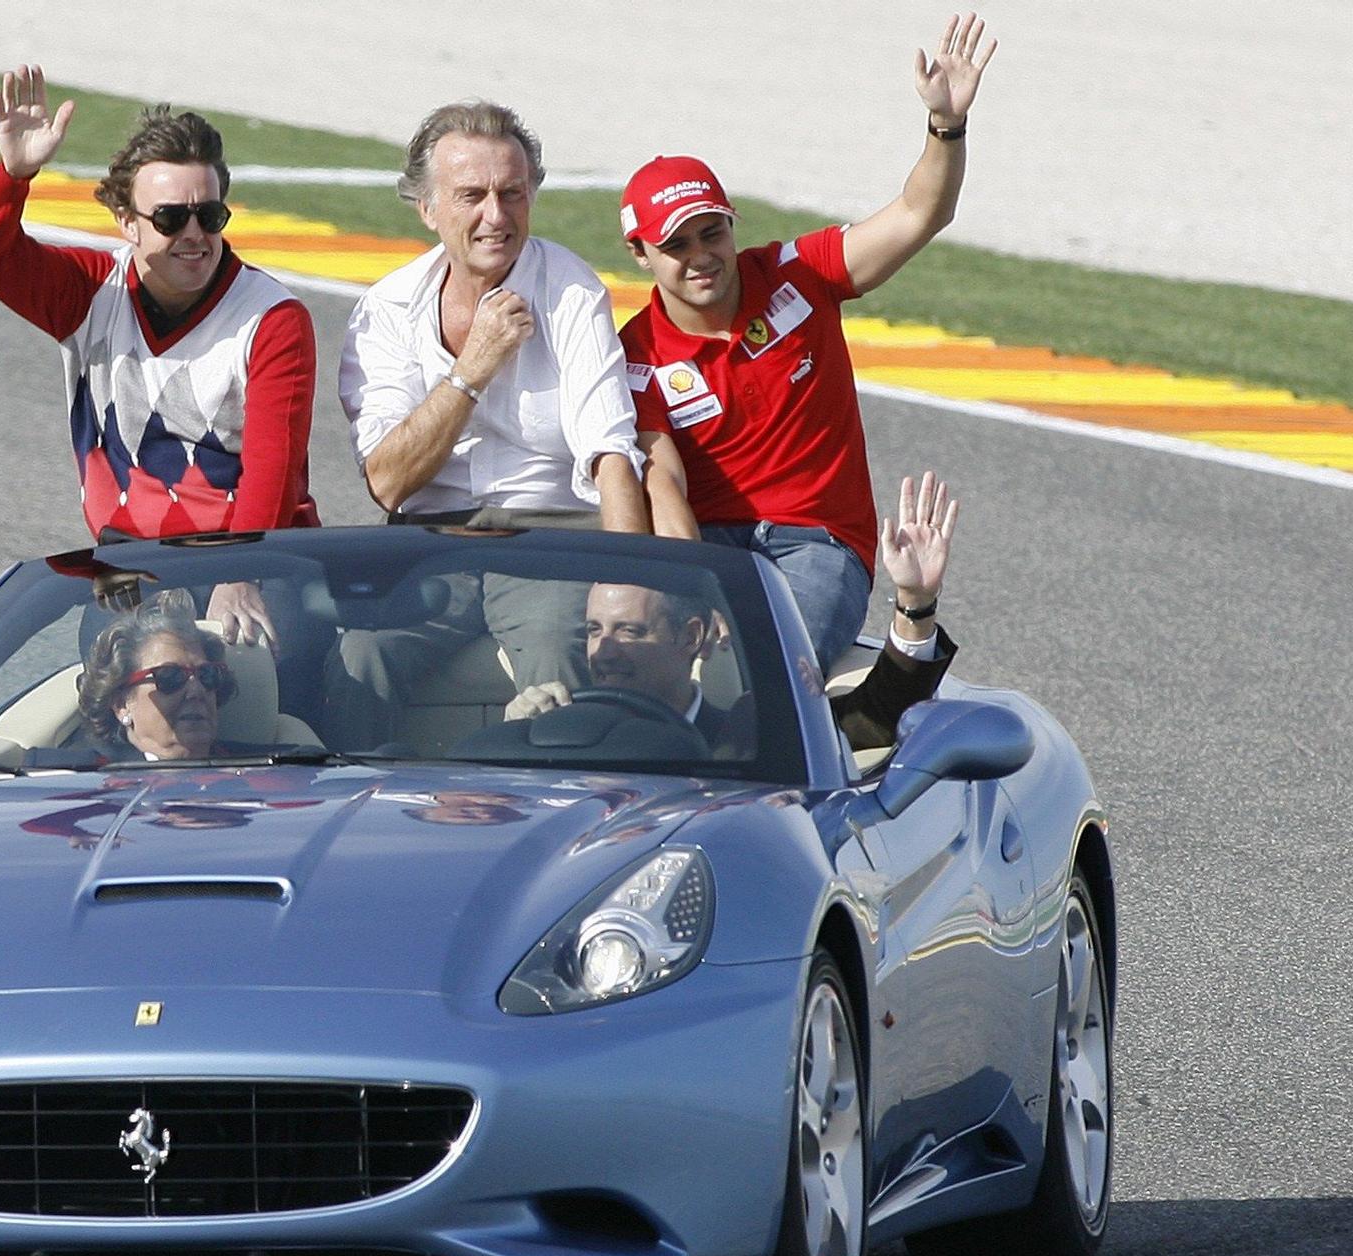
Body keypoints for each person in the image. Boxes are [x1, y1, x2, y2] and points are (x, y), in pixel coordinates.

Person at [615, 14, 997, 667]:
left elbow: (919, 213)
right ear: (641, 254)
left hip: (817, 543)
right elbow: (664, 487)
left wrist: (946, 127)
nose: (701, 257)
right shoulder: (637, 355)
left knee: (774, 671)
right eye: (676, 244)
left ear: (732, 226)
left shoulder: (800, 272)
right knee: (644, 664)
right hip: (706, 542)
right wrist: (691, 588)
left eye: (712, 233)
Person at [325, 100, 650, 747]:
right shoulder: (387, 308)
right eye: (472, 195)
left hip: (549, 540)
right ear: (428, 208)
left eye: (513, 194)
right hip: (428, 544)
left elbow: (612, 452)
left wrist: (636, 582)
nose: (495, 216)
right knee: (359, 655)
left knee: (561, 657)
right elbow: (387, 481)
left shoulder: (570, 290)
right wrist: (473, 368)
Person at [0, 64, 317, 646]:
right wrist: (13, 174)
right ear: (127, 221)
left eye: (211, 216)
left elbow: (271, 471)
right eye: (172, 219)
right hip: (129, 567)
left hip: (256, 559)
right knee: (107, 703)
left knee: (265, 680)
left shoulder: (273, 319)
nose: (195, 234)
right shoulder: (88, 291)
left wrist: (239, 574)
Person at [506, 474, 961, 753]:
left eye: (629, 631)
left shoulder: (752, 732)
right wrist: (515, 737)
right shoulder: (554, 727)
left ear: (689, 637)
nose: (603, 652)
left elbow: (880, 714)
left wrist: (915, 602)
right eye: (593, 631)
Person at [75, 595, 238, 761]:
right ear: (121, 704)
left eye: (206, 675)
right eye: (170, 676)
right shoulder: (86, 776)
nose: (196, 690)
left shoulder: (259, 770)